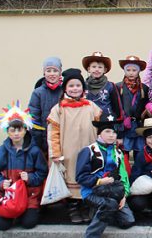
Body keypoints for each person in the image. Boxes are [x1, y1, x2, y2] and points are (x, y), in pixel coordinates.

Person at [47, 68, 102, 223]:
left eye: (78, 85)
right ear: (65, 88)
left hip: (89, 150)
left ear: (83, 88)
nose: (75, 88)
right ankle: (73, 209)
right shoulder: (58, 109)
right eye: (71, 86)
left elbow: (101, 129)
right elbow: (53, 134)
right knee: (71, 178)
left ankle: (86, 207)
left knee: (87, 176)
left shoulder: (92, 106)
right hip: (68, 152)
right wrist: (55, 153)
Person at [0, 102, 48, 231]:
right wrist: (0, 182)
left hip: (29, 197)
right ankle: (16, 213)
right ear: (7, 132)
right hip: (9, 196)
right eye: (12, 130)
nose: (16, 133)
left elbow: (43, 172)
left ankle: (32, 211)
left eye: (19, 129)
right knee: (2, 226)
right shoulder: (2, 150)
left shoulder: (34, 151)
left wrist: (31, 177)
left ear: (25, 130)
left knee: (28, 223)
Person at [76, 114, 134, 237]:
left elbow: (121, 176)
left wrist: (123, 195)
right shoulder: (88, 151)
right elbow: (80, 177)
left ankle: (99, 213)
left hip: (113, 191)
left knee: (128, 221)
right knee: (110, 204)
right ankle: (92, 235)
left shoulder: (118, 152)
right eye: (107, 131)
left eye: (114, 132)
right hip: (91, 191)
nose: (111, 135)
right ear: (99, 134)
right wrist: (99, 181)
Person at [116, 55, 150, 159]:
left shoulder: (144, 88)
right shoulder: (118, 87)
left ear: (139, 71)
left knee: (139, 152)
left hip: (138, 125)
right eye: (128, 70)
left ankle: (137, 173)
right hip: (124, 126)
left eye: (134, 70)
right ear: (124, 71)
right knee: (123, 152)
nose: (131, 72)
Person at [29, 56, 63, 154]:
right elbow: (34, 116)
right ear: (44, 73)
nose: (52, 74)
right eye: (48, 71)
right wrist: (38, 137)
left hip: (62, 136)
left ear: (60, 72)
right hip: (44, 138)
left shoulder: (65, 91)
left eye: (55, 71)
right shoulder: (38, 92)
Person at [82, 52, 123, 120]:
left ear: (105, 70)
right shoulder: (82, 85)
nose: (97, 69)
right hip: (87, 120)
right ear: (89, 69)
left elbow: (117, 106)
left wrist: (118, 119)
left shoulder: (111, 86)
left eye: (100, 67)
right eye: (94, 67)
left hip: (106, 121)